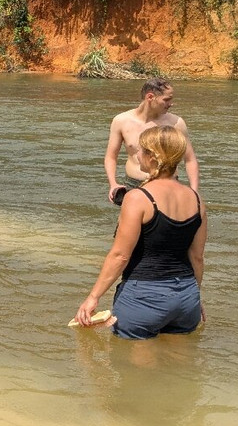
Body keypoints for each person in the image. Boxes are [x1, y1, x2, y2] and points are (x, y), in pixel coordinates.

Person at [76, 125, 207, 339]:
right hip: (186, 298)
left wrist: (93, 297)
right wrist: (195, 297)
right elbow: (197, 257)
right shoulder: (197, 199)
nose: (137, 155)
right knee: (180, 365)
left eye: (141, 150)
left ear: (153, 157)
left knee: (134, 370)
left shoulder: (138, 198)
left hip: (144, 298)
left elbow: (120, 256)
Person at [105, 77, 199, 204]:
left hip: (168, 185)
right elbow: (111, 156)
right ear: (150, 97)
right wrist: (113, 183)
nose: (171, 103)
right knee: (129, 223)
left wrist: (194, 191)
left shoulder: (176, 123)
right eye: (166, 99)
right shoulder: (122, 121)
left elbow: (190, 159)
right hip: (133, 185)